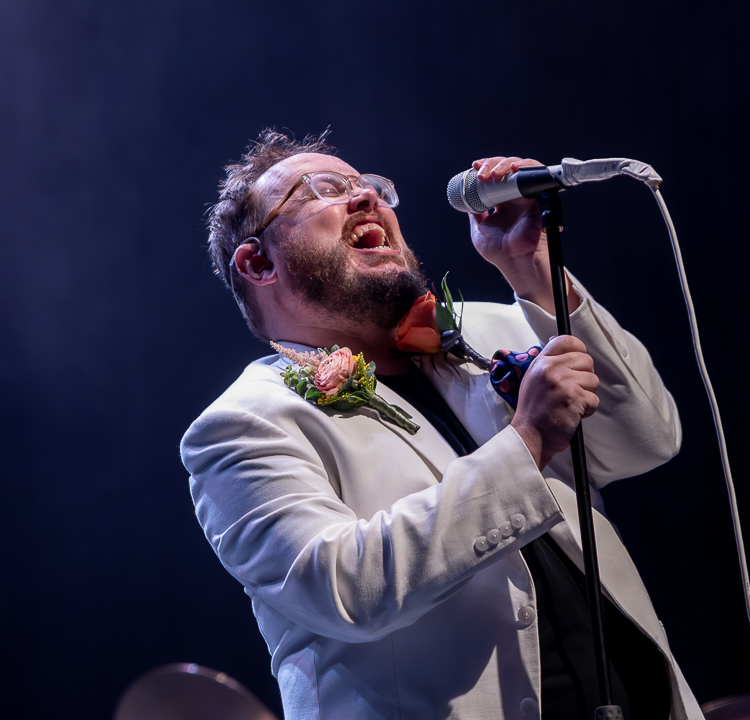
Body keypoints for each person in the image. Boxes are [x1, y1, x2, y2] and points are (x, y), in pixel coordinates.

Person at [181, 129, 704, 720]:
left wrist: (530, 266)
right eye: (322, 190)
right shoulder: (243, 424)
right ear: (257, 261)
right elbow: (346, 589)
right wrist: (529, 440)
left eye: (370, 186)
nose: (365, 197)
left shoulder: (491, 329)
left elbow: (647, 441)